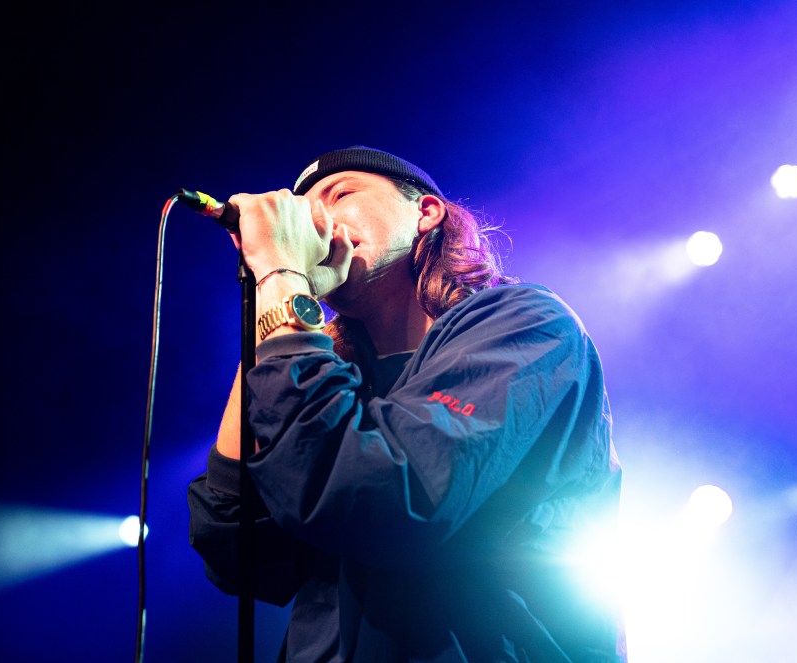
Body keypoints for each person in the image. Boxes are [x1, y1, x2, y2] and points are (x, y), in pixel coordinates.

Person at [187, 145, 626, 662]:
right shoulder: (333, 378)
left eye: (340, 194)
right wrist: (272, 293)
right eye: (303, 212)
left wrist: (281, 276)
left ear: (426, 213)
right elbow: (234, 547)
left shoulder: (526, 323)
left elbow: (386, 497)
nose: (315, 221)